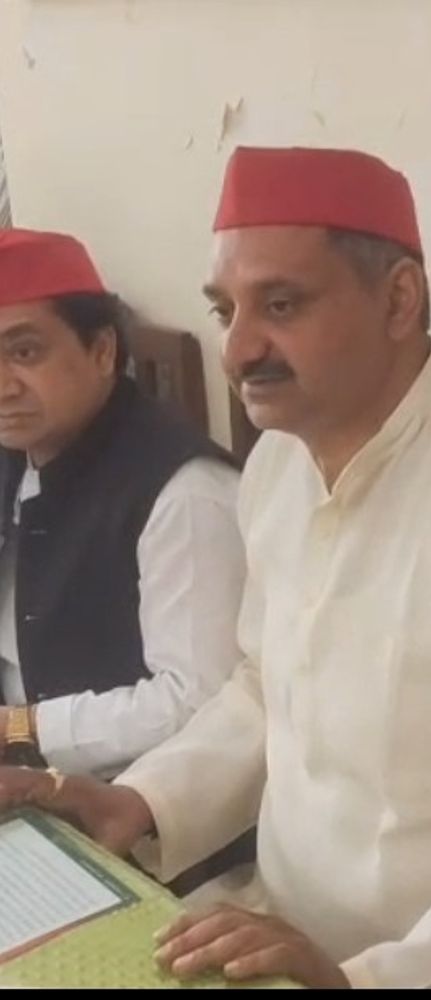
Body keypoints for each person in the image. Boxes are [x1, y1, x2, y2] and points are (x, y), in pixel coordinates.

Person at [2, 147, 431, 988]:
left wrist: (364, 978)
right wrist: (143, 801)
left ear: (399, 299)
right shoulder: (281, 462)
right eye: (225, 311)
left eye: (281, 304)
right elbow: (263, 691)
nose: (240, 349)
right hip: (264, 927)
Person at [0, 228, 244, 778]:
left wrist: (22, 730)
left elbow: (198, 705)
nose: (3, 386)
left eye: (24, 352)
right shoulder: (17, 449)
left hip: (127, 803)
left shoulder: (186, 494)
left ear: (103, 350)